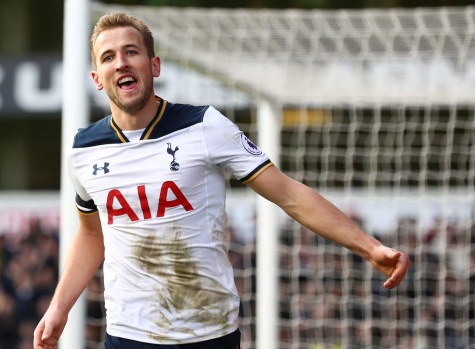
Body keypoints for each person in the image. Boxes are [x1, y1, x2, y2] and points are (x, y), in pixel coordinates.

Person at [33, 11, 410, 349]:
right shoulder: (84, 150)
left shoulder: (204, 125)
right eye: (108, 57)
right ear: (97, 78)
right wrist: (59, 307)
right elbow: (91, 233)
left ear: (154, 64)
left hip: (209, 332)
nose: (121, 63)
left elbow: (288, 194)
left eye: (131, 51)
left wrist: (368, 247)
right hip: (128, 334)